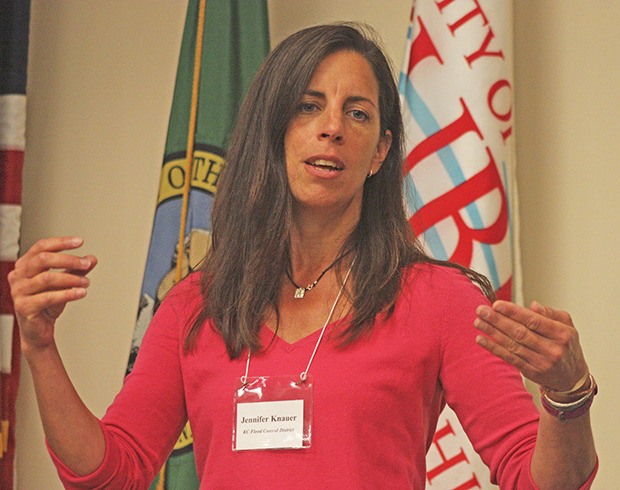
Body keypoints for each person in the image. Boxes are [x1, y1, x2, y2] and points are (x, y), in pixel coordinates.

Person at [9, 23, 597, 489]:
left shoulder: (440, 300)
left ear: (379, 152)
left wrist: (567, 395)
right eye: (308, 106)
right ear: (273, 130)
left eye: (358, 113)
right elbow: (113, 472)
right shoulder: (196, 303)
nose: (332, 128)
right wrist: (38, 345)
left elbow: (540, 479)